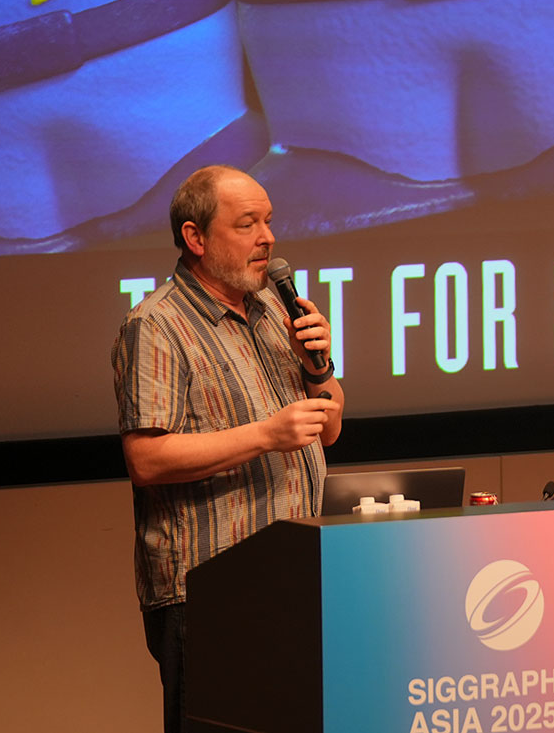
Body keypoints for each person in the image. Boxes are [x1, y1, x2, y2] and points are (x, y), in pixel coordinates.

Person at [111, 165, 344, 733]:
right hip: (210, 591)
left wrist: (318, 368)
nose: (268, 237)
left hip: (297, 577)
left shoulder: (274, 312)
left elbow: (329, 429)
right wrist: (266, 434)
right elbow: (146, 460)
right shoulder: (157, 326)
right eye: (247, 224)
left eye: (269, 221)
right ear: (195, 238)